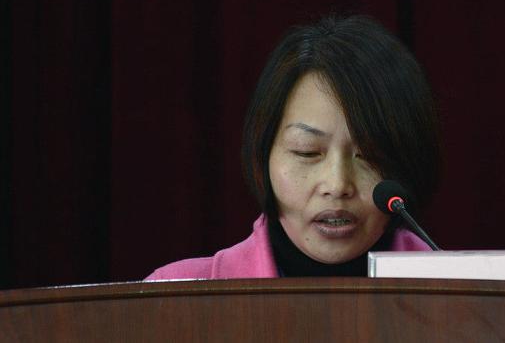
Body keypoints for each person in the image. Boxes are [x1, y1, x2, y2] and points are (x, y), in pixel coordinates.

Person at [145, 14, 441, 280]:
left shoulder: (458, 298)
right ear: (264, 156)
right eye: (307, 151)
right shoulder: (173, 298)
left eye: (370, 155)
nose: (337, 185)